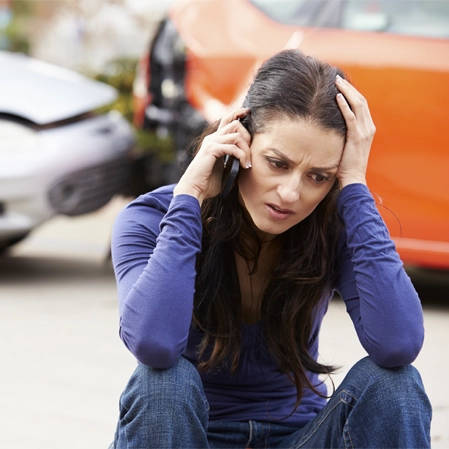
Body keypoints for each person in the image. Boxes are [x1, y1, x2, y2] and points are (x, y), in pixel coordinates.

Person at [109, 49, 432, 449]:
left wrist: (353, 184)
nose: (291, 193)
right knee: (161, 383)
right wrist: (190, 196)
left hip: (301, 436)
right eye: (277, 163)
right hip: (191, 436)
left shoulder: (336, 224)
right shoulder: (149, 218)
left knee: (395, 384)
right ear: (239, 140)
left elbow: (398, 344)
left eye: (318, 176)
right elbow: (153, 345)